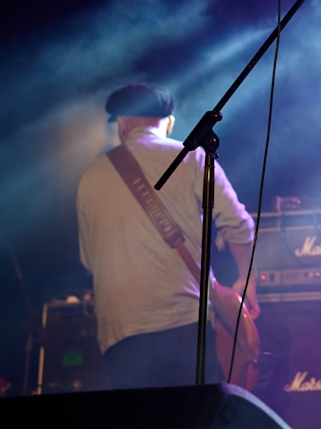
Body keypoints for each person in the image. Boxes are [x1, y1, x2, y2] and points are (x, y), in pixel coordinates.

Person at [76, 82, 259, 389]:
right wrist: (247, 279)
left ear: (121, 123)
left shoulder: (90, 177)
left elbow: (90, 262)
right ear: (169, 122)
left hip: (120, 333)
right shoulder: (192, 159)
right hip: (185, 324)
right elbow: (238, 225)